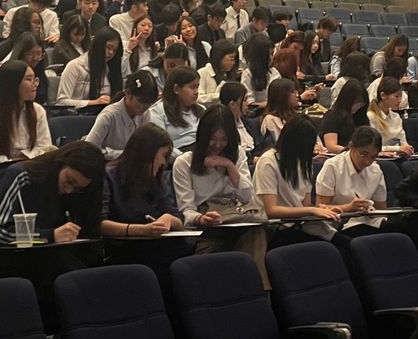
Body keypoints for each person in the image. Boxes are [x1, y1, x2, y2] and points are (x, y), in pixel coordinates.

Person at [171, 105, 266, 274]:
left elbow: (246, 197)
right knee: (210, 260)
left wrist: (229, 166)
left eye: (224, 140)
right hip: (207, 226)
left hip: (237, 220)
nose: (218, 145)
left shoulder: (237, 154)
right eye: (212, 139)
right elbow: (186, 210)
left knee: (257, 233)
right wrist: (201, 218)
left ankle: (258, 286)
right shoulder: (184, 162)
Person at [0, 142, 103, 245]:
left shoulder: (78, 193)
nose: (69, 190)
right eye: (69, 181)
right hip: (12, 255)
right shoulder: (21, 175)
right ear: (60, 164)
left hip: (52, 253)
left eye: (77, 188)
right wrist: (50, 235)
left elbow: (89, 229)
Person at [255, 118, 341, 243]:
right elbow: (271, 210)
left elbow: (305, 204)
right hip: (276, 228)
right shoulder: (268, 161)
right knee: (331, 248)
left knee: (346, 244)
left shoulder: (304, 162)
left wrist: (321, 209)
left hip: (300, 223)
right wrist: (311, 210)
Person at [100, 124, 184, 238]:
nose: (164, 162)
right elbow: (99, 223)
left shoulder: (157, 179)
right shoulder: (109, 176)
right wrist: (141, 230)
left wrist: (169, 219)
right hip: (121, 243)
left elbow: (179, 220)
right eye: (163, 155)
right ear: (147, 153)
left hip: (155, 242)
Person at [315, 125, 387, 237]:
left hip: (368, 222)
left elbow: (381, 210)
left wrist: (370, 210)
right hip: (339, 224)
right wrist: (348, 208)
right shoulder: (332, 166)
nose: (367, 161)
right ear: (351, 146)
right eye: (363, 154)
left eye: (373, 157)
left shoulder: (375, 169)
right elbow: (320, 209)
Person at [0, 60, 53, 163]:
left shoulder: (38, 110)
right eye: (28, 79)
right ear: (12, 83)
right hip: (2, 170)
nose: (35, 84)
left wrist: (24, 158)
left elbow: (45, 148)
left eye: (35, 79)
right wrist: (18, 162)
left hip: (34, 167)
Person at [84, 70, 158, 161]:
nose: (145, 107)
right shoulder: (109, 116)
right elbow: (89, 148)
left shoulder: (145, 114)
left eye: (149, 103)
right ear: (128, 93)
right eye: (141, 101)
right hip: (104, 164)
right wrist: (119, 155)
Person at [56, 28, 120, 108]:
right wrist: (94, 103)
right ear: (98, 45)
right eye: (108, 47)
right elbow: (61, 101)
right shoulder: (74, 66)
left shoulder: (109, 69)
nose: (111, 53)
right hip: (77, 113)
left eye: (114, 50)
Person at [150, 65, 204, 151]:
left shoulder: (202, 110)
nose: (196, 92)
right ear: (176, 89)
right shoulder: (158, 111)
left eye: (197, 87)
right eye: (192, 87)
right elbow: (160, 146)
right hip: (177, 154)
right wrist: (185, 157)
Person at [319, 79, 369, 154]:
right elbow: (331, 146)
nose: (358, 106)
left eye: (361, 104)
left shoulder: (361, 117)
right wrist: (354, 152)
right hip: (339, 156)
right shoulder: (332, 116)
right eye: (356, 102)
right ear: (347, 101)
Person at [367, 76, 413, 156]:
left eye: (400, 96)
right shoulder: (371, 117)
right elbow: (372, 147)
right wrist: (397, 148)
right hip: (380, 157)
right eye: (396, 96)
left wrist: (407, 148)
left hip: (397, 156)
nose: (399, 100)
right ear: (383, 95)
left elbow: (403, 142)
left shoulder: (396, 117)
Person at [241, 33, 280, 106]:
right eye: (268, 54)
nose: (271, 58)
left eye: (272, 54)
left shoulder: (275, 72)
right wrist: (270, 105)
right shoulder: (248, 74)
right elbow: (250, 104)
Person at [197, 38, 240, 104]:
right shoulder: (202, 73)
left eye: (235, 60)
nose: (233, 63)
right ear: (219, 56)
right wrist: (219, 96)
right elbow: (198, 98)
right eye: (231, 59)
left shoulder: (229, 76)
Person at [259, 77, 301, 143]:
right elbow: (274, 144)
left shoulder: (296, 115)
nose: (297, 95)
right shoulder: (270, 120)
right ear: (282, 96)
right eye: (293, 92)